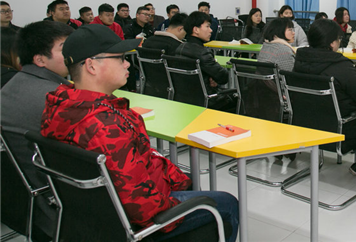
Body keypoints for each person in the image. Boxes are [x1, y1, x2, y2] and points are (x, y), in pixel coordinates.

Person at [40, 24, 239, 241]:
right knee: (227, 203)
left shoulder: (61, 106)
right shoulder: (105, 127)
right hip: (140, 222)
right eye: (120, 58)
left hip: (93, 219)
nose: (127, 63)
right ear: (91, 65)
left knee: (187, 180)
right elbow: (142, 207)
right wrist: (176, 205)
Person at [0, 21, 74, 239]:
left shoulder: (12, 87)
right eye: (64, 48)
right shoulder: (58, 100)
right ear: (40, 59)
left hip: (23, 203)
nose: (74, 53)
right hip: (61, 208)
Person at [293, 19, 356, 175]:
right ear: (332, 43)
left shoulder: (299, 60)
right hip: (338, 129)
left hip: (304, 124)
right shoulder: (341, 65)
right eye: (339, 39)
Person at [175, 11, 229, 95]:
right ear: (196, 29)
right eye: (207, 26)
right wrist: (212, 77)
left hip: (183, 96)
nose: (211, 30)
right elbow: (223, 77)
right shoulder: (203, 53)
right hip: (206, 97)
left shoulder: (180, 48)